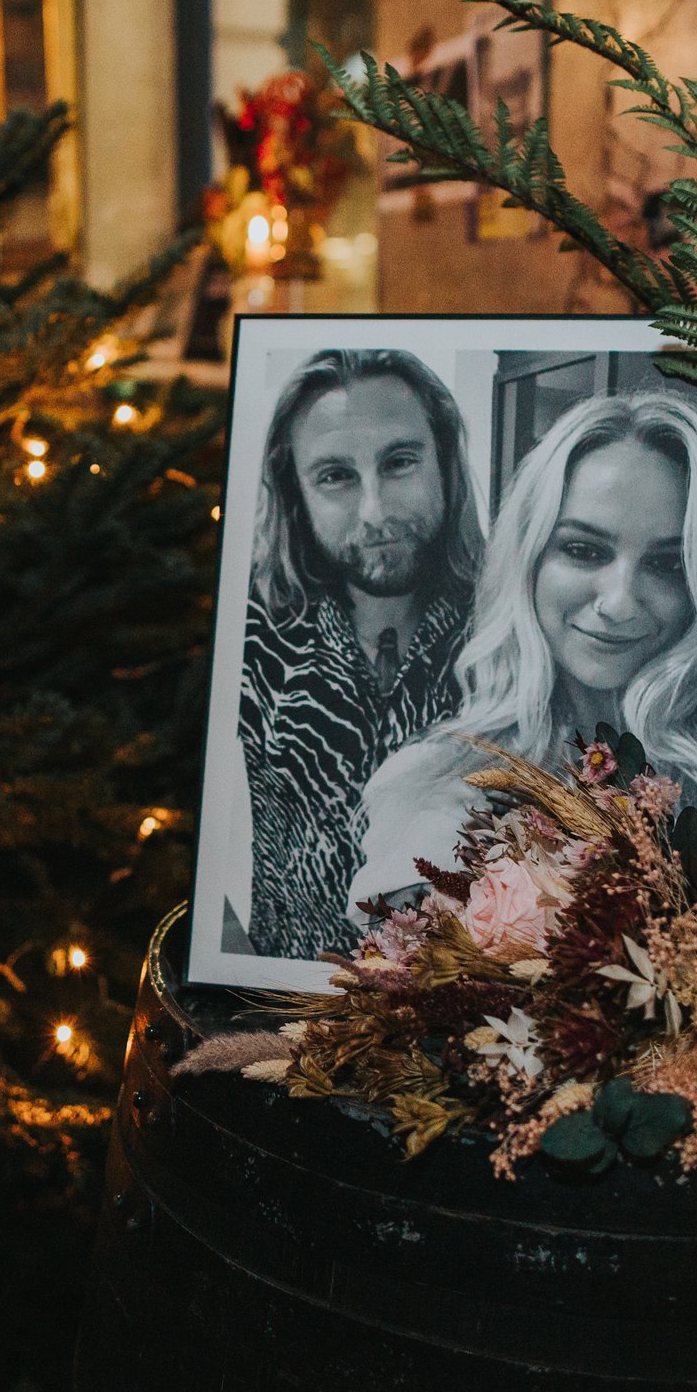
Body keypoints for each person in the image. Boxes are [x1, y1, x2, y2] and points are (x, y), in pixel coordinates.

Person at [350, 384, 697, 911]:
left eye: (668, 564)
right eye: (583, 550)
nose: (618, 603)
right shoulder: (436, 790)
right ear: (527, 559)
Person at [235, 349, 484, 958]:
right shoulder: (250, 642)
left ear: (445, 464)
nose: (375, 512)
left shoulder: (515, 637)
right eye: (336, 476)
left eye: (400, 463)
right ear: (297, 494)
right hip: (289, 1013)